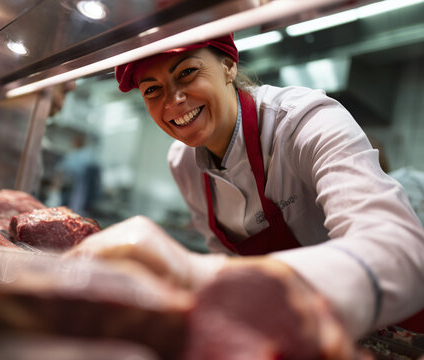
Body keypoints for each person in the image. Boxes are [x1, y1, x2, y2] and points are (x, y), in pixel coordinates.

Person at [65, 33, 424, 353]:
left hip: (401, 333)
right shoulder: (183, 163)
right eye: (152, 89)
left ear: (228, 66)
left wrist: (191, 271)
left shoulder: (305, 122)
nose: (173, 100)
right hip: (299, 335)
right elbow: (226, 257)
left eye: (187, 72)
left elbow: (400, 251)